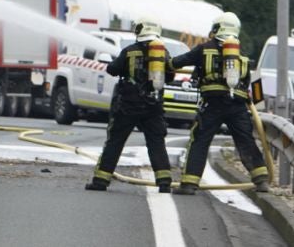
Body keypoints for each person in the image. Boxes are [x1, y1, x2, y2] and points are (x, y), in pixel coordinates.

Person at [172, 12, 270, 195]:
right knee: (245, 141)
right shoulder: (241, 54)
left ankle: (189, 184)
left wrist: (162, 63)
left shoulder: (203, 49)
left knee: (200, 141)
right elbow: (248, 82)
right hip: (238, 105)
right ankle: (262, 180)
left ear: (218, 28)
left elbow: (178, 62)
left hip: (212, 103)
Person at [84, 18, 173, 193]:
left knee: (115, 141)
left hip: (128, 106)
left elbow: (112, 69)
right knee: (156, 142)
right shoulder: (163, 52)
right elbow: (170, 76)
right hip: (153, 106)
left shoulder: (129, 51)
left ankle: (101, 181)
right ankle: (164, 182)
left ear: (140, 31)